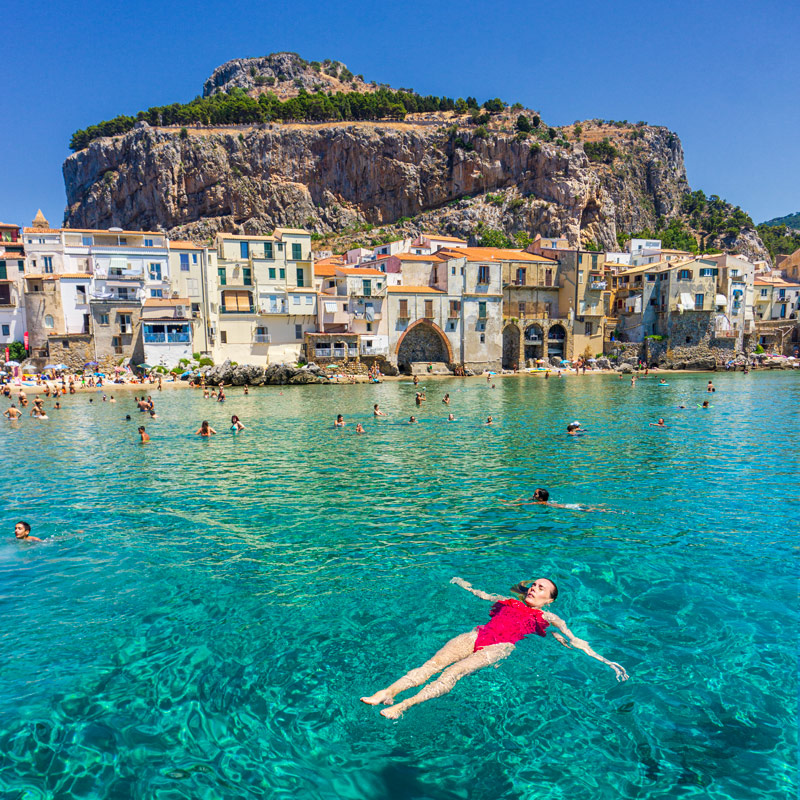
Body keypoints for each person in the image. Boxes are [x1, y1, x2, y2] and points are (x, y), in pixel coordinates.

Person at [360, 576, 628, 719]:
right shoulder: (508, 601)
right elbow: (481, 594)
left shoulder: (549, 618)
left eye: (542, 588)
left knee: (450, 675)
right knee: (429, 666)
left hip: (499, 648)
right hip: (476, 636)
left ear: (549, 600)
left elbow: (576, 640)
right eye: (534, 584)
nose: (535, 588)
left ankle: (404, 705)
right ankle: (387, 692)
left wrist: (606, 661)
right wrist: (461, 583)